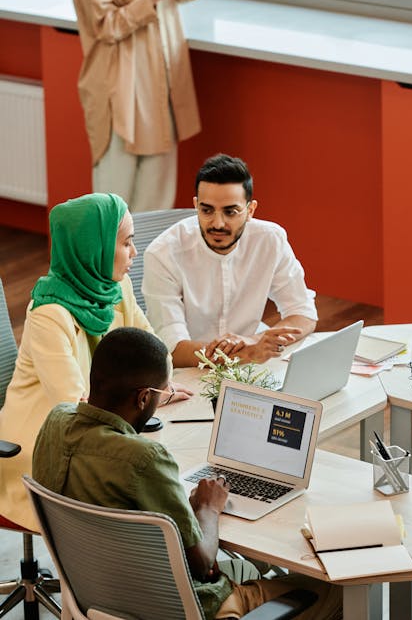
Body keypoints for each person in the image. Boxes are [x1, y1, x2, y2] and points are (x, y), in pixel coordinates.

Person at [32, 327, 342, 620]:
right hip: (185, 609)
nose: (158, 401)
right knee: (337, 590)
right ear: (142, 398)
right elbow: (203, 566)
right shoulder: (144, 459)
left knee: (251, 567)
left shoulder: (55, 423)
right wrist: (207, 506)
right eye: (161, 395)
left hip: (101, 597)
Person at [0, 192, 191, 532]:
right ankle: (95, 570)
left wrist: (154, 386)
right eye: (126, 244)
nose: (134, 253)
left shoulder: (117, 288)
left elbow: (157, 353)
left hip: (106, 426)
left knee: (164, 463)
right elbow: (74, 408)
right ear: (95, 248)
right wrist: (153, 391)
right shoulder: (48, 314)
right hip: (43, 442)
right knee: (139, 483)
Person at [71, 0, 202, 212]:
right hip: (120, 88)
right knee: (115, 197)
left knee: (157, 192)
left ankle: (145, 265)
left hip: (159, 81)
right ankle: (107, 266)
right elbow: (107, 27)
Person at [143, 153, 318, 368]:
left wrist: (252, 342)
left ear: (250, 210)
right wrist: (248, 352)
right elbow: (173, 349)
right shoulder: (162, 253)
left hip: (250, 366)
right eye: (207, 210)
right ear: (196, 205)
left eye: (230, 212)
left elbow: (303, 314)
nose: (218, 223)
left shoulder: (270, 240)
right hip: (190, 370)